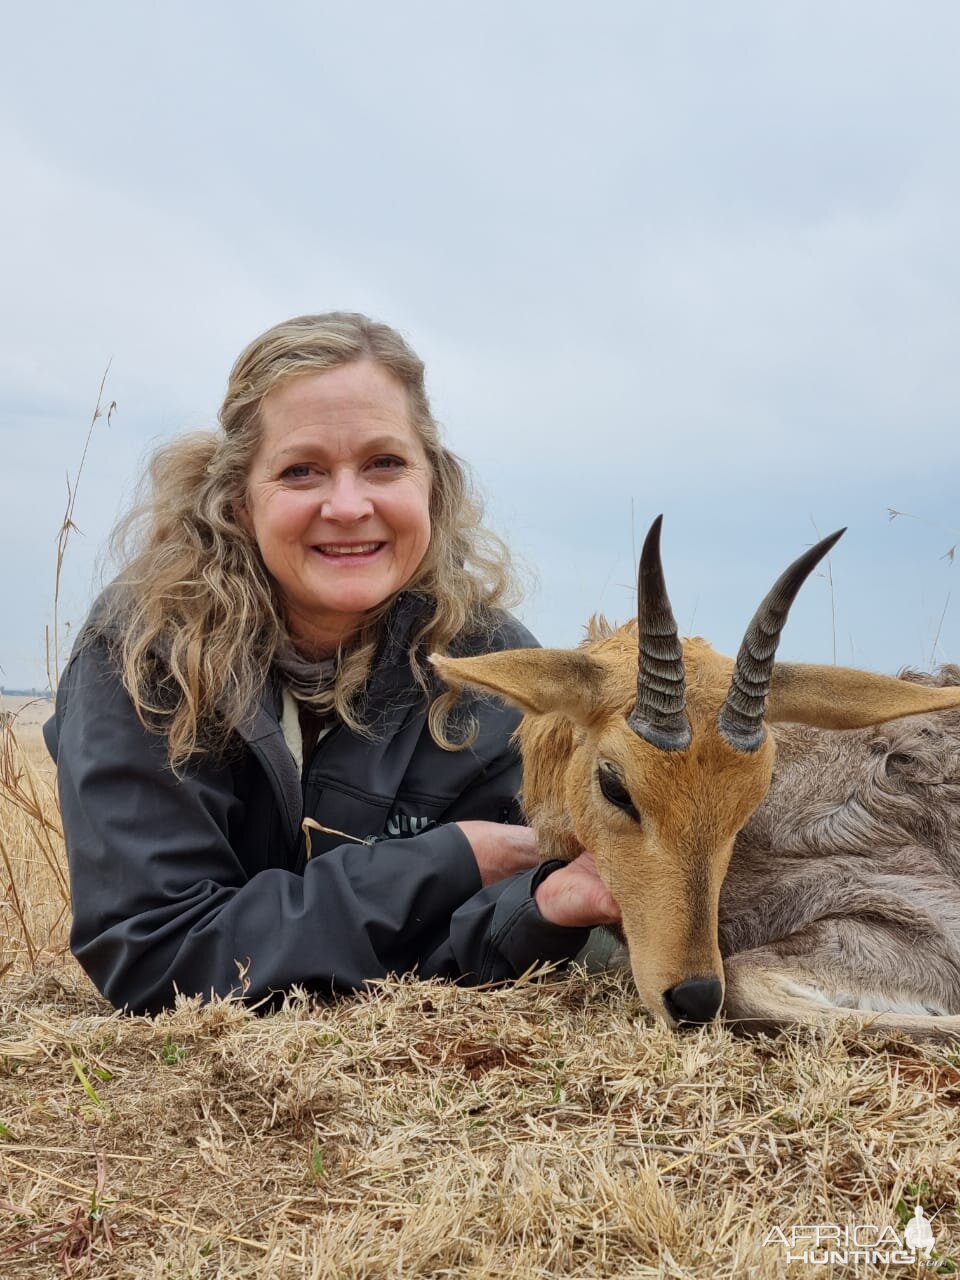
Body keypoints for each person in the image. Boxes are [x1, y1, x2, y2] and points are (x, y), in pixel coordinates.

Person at [44, 313, 621, 1015]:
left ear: (433, 487)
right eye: (301, 470)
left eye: (384, 463)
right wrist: (452, 860)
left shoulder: (488, 667)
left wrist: (540, 908)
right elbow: (159, 953)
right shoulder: (145, 653)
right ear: (238, 502)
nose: (348, 506)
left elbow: (465, 945)